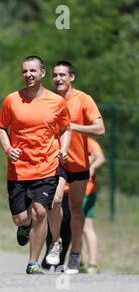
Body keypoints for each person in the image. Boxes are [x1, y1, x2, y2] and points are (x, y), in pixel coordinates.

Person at [0, 56, 71, 274]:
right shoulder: (12, 100)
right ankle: (24, 226)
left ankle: (33, 262)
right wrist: (9, 150)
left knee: (40, 211)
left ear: (43, 73)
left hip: (46, 167)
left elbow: (66, 128)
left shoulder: (57, 102)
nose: (28, 75)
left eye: (32, 71)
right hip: (18, 169)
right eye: (25, 71)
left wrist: (63, 149)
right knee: (21, 217)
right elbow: (1, 127)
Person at [50, 61, 105, 274]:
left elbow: (99, 129)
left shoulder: (83, 99)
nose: (58, 79)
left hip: (78, 163)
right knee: (54, 203)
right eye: (55, 75)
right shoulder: (48, 99)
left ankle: (75, 254)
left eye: (63, 75)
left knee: (75, 210)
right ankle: (56, 243)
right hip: (55, 164)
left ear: (71, 77)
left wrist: (72, 126)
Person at [80, 137, 105, 273]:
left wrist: (92, 167)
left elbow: (100, 158)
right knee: (75, 227)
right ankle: (79, 262)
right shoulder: (69, 140)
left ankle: (93, 264)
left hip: (87, 190)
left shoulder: (89, 142)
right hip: (74, 189)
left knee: (86, 227)